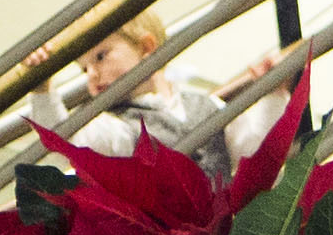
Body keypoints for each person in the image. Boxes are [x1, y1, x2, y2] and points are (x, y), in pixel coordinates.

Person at [30, 10, 237, 180]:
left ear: (146, 47)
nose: (92, 75)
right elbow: (67, 143)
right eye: (84, 69)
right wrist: (42, 89)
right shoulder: (115, 126)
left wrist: (270, 94)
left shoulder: (207, 104)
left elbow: (252, 142)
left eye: (100, 56)